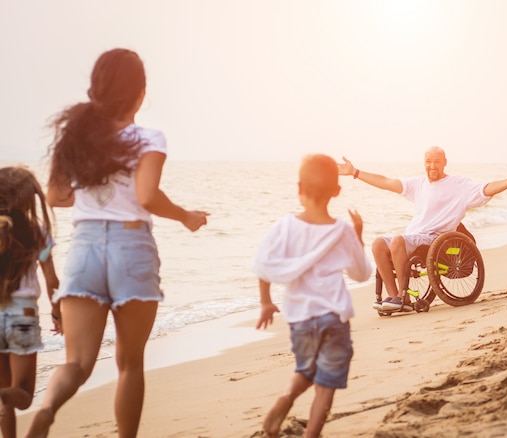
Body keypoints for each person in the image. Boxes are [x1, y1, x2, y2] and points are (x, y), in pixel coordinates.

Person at [25, 48, 209, 438]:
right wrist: (186, 216)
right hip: (131, 249)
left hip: (84, 248)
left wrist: (95, 196)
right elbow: (146, 197)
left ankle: (47, 408)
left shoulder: (74, 137)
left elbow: (56, 196)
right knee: (129, 363)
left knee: (76, 363)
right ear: (140, 93)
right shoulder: (149, 137)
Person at [252, 154, 372, 438]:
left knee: (306, 369)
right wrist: (358, 235)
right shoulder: (342, 230)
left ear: (299, 188)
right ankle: (312, 434)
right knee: (327, 381)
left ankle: (285, 399)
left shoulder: (284, 226)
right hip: (333, 318)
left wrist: (266, 302)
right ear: (337, 191)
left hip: (301, 319)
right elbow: (361, 274)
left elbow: (263, 265)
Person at [338, 146, 507, 312]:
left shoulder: (459, 185)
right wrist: (355, 172)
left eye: (436, 162)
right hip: (414, 236)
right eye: (428, 161)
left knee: (398, 241)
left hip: (436, 238)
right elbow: (387, 182)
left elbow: (485, 189)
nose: (432, 166)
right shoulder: (418, 185)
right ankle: (396, 296)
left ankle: (402, 297)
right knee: (378, 243)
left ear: (444, 162)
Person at [0, 166, 61, 438]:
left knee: (4, 395)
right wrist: (57, 313)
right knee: (22, 395)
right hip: (22, 316)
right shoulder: (37, 232)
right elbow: (52, 280)